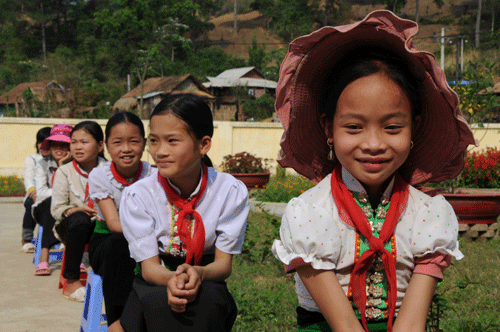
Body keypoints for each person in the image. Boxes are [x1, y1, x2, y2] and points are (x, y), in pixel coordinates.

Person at [271, 11, 477, 332]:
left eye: (392, 127)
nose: (373, 144)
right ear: (329, 128)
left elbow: (411, 325)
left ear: (414, 128)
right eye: (353, 127)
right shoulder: (309, 216)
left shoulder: (428, 217)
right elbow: (344, 327)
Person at [119, 93, 250, 331]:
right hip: (156, 278)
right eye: (154, 141)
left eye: (172, 141)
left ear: (204, 144)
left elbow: (223, 266)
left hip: (207, 275)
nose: (160, 152)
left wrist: (198, 274)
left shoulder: (229, 191)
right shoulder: (139, 195)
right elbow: (149, 269)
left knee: (208, 302)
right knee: (160, 304)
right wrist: (175, 280)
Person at [88, 112, 153, 332]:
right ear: (106, 146)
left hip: (144, 242)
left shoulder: (153, 175)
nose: (126, 149)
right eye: (117, 142)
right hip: (106, 241)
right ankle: (117, 322)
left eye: (134, 141)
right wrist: (148, 234)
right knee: (119, 246)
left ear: (144, 143)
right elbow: (115, 224)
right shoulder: (99, 176)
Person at [51, 121, 106, 302]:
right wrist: (77, 209)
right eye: (74, 142)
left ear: (100, 145)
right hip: (71, 226)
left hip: (102, 225)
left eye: (84, 142)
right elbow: (56, 210)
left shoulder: (109, 170)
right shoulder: (64, 171)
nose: (77, 147)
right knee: (80, 219)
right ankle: (72, 281)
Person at [33, 124, 73, 275]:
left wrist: (62, 166)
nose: (59, 148)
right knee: (52, 203)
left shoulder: (75, 165)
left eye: (64, 145)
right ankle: (44, 256)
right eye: (55, 144)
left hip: (68, 209)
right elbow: (41, 193)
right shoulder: (42, 164)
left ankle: (73, 256)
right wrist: (60, 194)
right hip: (42, 209)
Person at [21, 126, 51, 253]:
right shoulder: (32, 159)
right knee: (31, 205)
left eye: (47, 143)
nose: (42, 146)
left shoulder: (59, 159)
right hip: (35, 194)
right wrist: (34, 194)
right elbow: (29, 179)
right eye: (40, 142)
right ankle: (26, 239)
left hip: (52, 195)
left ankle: (61, 239)